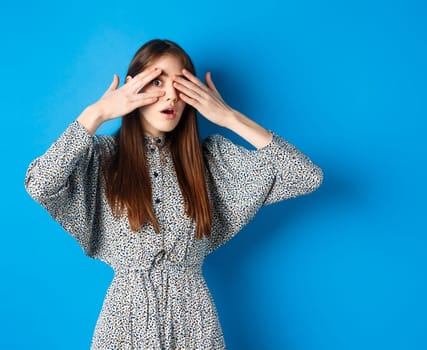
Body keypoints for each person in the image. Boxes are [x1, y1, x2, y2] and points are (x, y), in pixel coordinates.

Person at [25, 39, 323, 349]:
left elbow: (306, 177)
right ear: (133, 88)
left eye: (180, 85)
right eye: (157, 81)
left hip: (195, 324)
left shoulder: (211, 163)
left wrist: (229, 117)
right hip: (124, 325)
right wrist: (97, 113)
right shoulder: (101, 158)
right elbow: (40, 183)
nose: (170, 95)